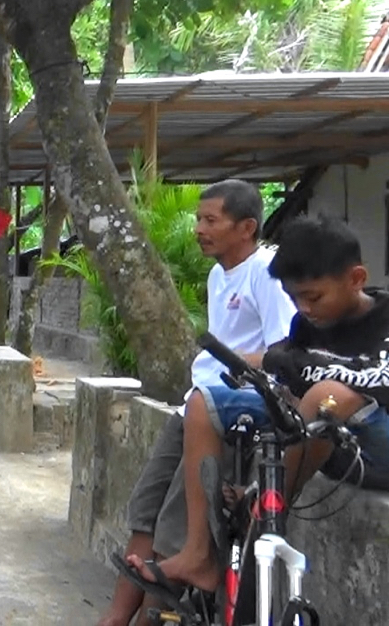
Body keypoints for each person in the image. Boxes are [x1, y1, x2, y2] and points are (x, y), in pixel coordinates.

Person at [125, 214, 389, 600]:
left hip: (375, 446)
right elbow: (283, 362)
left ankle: (262, 508)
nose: (304, 308)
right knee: (204, 402)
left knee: (328, 394)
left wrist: (300, 374)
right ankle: (198, 553)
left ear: (356, 279)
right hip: (322, 438)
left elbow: (366, 381)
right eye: (295, 298)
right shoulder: (306, 325)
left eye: (313, 296)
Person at [100, 180, 296, 626]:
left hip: (231, 412)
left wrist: (233, 364)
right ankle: (112, 619)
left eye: (211, 220)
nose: (199, 229)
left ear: (246, 227)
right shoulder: (216, 274)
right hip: (194, 405)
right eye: (198, 219)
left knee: (176, 523)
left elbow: (285, 353)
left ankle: (155, 615)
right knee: (145, 509)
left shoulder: (266, 273)